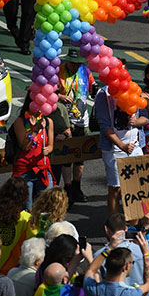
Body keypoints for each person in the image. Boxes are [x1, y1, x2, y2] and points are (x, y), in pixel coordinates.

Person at [94, 85, 146, 214]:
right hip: (114, 150)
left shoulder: (134, 89)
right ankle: (115, 224)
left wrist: (137, 121)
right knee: (116, 188)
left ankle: (134, 223)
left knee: (136, 186)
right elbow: (104, 126)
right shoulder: (104, 94)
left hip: (135, 147)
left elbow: (145, 117)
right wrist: (122, 146)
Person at [57, 49, 96, 202]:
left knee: (80, 155)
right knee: (67, 155)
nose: (74, 66)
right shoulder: (59, 71)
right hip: (65, 119)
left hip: (82, 119)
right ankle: (67, 189)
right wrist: (60, 96)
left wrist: (94, 89)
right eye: (72, 63)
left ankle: (76, 186)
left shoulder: (84, 70)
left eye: (77, 63)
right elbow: (50, 92)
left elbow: (92, 86)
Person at [11, 99, 54, 209]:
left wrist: (48, 150)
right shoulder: (20, 122)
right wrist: (35, 130)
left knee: (47, 205)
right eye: (37, 103)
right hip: (25, 170)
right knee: (26, 208)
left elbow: (50, 146)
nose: (40, 107)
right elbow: (25, 146)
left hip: (42, 168)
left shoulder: (48, 122)